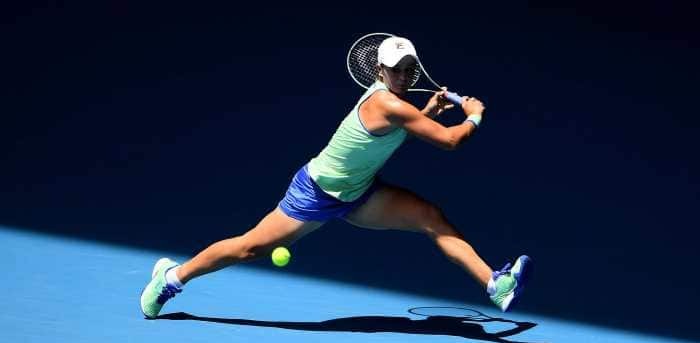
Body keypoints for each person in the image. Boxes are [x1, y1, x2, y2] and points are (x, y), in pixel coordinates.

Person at [140, 36, 531, 319]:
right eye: (397, 70)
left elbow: (398, 130)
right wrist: (474, 115)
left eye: (410, 69)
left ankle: (495, 284)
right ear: (380, 71)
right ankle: (172, 277)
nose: (405, 76)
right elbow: (449, 142)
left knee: (431, 217)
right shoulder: (385, 102)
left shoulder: (396, 104)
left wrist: (426, 111)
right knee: (248, 248)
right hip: (315, 192)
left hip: (359, 193)